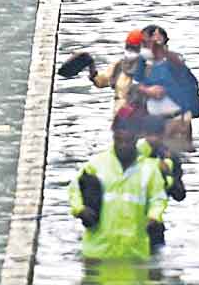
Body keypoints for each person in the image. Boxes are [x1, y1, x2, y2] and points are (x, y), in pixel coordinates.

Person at [69, 107, 169, 258]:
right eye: (119, 140)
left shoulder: (149, 169)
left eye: (127, 141)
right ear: (113, 135)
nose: (123, 145)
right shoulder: (96, 165)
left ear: (136, 138)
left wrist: (154, 217)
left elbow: (158, 198)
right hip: (97, 251)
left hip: (134, 252)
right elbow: (74, 189)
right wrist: (80, 209)